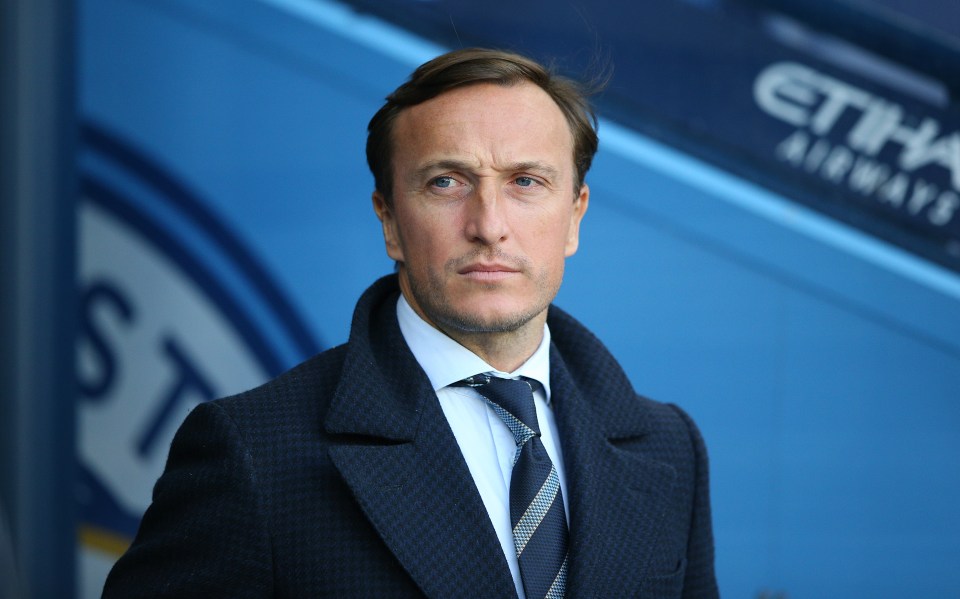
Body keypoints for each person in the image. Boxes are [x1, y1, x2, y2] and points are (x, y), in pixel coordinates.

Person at [103, 47, 717, 598]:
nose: (489, 224)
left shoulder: (669, 446)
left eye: (526, 182)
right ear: (390, 220)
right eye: (446, 182)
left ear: (575, 216)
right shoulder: (251, 451)